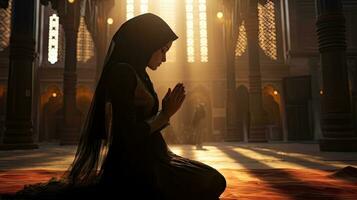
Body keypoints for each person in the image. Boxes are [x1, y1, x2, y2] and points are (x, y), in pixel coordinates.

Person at [3, 13, 226, 200]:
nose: (164, 58)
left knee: (212, 179)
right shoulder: (123, 73)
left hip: (151, 157)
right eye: (162, 50)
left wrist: (165, 113)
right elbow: (127, 135)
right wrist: (165, 113)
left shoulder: (140, 74)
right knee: (211, 183)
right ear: (146, 44)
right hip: (133, 165)